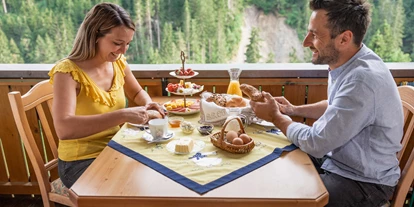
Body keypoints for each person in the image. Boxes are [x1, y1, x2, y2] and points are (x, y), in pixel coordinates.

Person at [250, 0, 404, 206]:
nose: (306, 42)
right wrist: (292, 109)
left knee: (284, 197)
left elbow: (317, 143)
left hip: (364, 182)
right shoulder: (350, 62)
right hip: (338, 163)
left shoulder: (363, 80)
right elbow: (337, 107)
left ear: (344, 38)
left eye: (314, 35)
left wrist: (276, 117)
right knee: (272, 159)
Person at [48, 2, 165, 188]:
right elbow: (64, 129)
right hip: (79, 163)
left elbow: (136, 92)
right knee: (139, 186)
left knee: (160, 170)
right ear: (95, 35)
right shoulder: (67, 72)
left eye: (127, 44)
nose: (123, 50)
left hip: (116, 149)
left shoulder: (117, 62)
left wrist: (148, 103)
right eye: (117, 43)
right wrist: (123, 115)